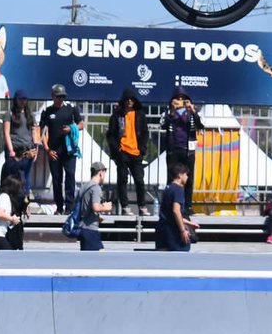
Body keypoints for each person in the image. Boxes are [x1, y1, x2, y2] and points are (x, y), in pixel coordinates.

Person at [40, 84, 84, 214]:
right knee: (56, 179)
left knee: (70, 177)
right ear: (52, 96)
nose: (60, 99)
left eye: (62, 97)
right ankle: (59, 207)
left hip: (69, 151)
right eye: (58, 96)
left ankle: (69, 207)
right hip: (54, 151)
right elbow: (42, 131)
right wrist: (47, 149)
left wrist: (71, 128)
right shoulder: (48, 112)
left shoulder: (71, 109)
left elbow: (81, 124)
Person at [159, 87, 203, 217]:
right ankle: (168, 205)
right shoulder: (168, 113)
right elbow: (163, 124)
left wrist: (193, 111)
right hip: (173, 150)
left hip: (188, 150)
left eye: (183, 99)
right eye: (177, 98)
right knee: (171, 178)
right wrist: (172, 111)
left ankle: (188, 206)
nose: (180, 101)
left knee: (188, 179)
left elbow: (200, 125)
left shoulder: (191, 113)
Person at [106, 87, 149, 215]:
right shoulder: (117, 115)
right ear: (123, 101)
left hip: (136, 152)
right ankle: (125, 206)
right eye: (127, 99)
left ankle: (142, 206)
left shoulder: (140, 115)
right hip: (122, 151)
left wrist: (142, 149)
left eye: (132, 99)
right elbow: (110, 135)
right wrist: (117, 149)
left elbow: (145, 133)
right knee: (122, 180)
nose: (129, 101)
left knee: (140, 181)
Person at [1, 90, 39, 197]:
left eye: (25, 99)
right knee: (12, 175)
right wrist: (11, 150)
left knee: (26, 175)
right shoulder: (9, 114)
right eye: (20, 99)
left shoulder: (30, 115)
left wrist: (35, 148)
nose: (23, 102)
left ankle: (25, 199)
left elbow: (34, 131)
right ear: (16, 100)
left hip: (27, 149)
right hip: (14, 149)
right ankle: (11, 197)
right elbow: (6, 133)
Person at [155, 162, 198, 251]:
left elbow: (170, 213)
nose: (187, 177)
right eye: (185, 174)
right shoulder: (178, 189)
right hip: (172, 232)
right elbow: (176, 211)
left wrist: (189, 223)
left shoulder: (168, 189)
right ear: (180, 175)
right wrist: (183, 231)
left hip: (162, 229)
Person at [0, 174, 26, 250]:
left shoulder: (5, 196)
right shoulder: (4, 197)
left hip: (0, 233)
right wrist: (12, 219)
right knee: (8, 254)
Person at [76, 161, 110, 251]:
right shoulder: (96, 188)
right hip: (90, 230)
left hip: (82, 228)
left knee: (87, 260)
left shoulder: (84, 187)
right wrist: (106, 207)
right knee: (100, 258)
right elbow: (96, 207)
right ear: (101, 173)